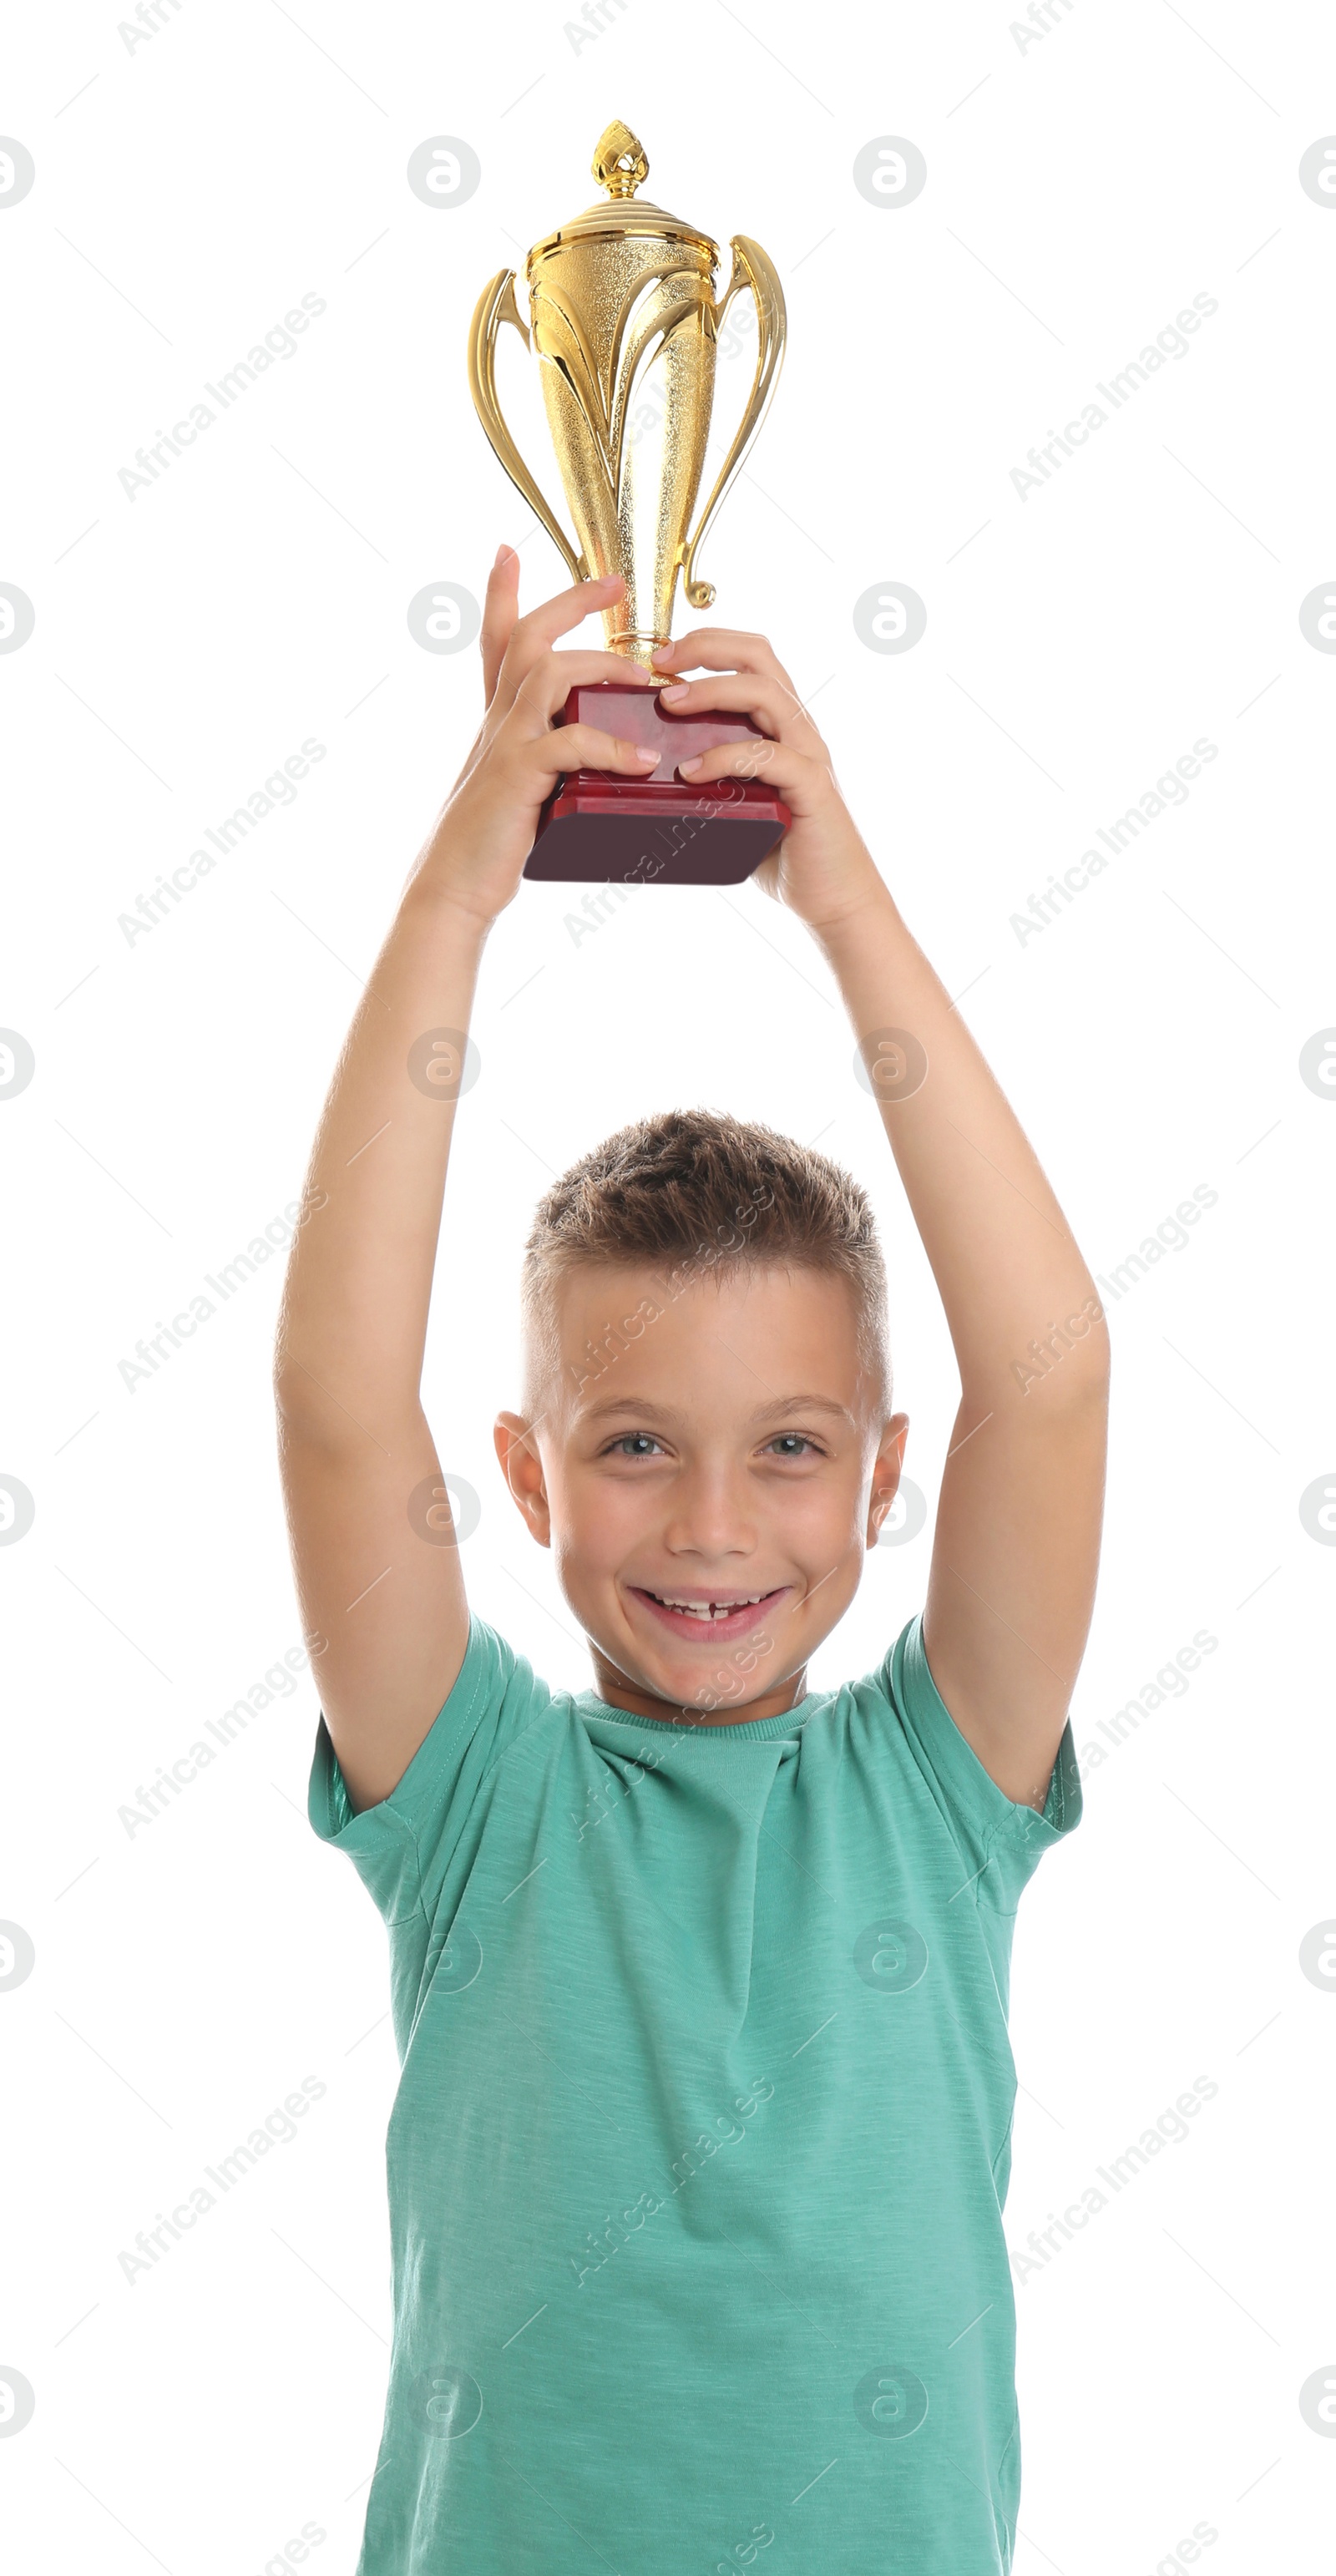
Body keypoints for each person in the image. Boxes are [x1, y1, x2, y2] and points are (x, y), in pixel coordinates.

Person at [275, 549, 1109, 2574]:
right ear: (529, 1478)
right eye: (633, 1447)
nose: (717, 1526)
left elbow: (1052, 1373)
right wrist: (458, 890)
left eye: (791, 1450)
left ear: (885, 1471)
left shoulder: (938, 1785)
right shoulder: (474, 1793)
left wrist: (835, 892)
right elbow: (331, 1397)